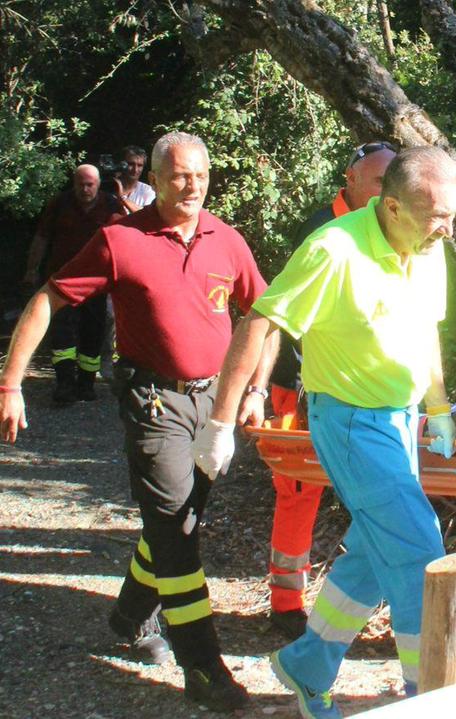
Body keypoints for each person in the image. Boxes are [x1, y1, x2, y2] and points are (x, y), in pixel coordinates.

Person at [193, 145, 456, 718]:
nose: (446, 228)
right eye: (434, 214)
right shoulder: (333, 249)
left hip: (400, 418)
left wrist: (436, 406)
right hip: (349, 422)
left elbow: (424, 333)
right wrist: (221, 420)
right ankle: (430, 698)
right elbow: (259, 320)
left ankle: (307, 664)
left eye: (453, 214)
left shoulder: (429, 246)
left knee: (372, 549)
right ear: (391, 207)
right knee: (419, 552)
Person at [1, 132, 265, 711]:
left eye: (199, 175)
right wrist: (11, 383)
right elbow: (48, 298)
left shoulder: (228, 240)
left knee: (178, 519)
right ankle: (203, 667)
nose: (191, 185)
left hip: (213, 407)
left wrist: (257, 388)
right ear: (157, 178)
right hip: (154, 404)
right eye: (178, 176)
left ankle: (129, 613)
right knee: (177, 529)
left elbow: (263, 314)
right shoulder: (121, 240)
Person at [249, 140, 398, 640]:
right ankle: (286, 603)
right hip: (301, 382)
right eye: (377, 181)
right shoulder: (321, 232)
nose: (384, 191)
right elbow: (277, 317)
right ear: (350, 179)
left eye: (391, 182)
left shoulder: (388, 228)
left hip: (361, 387)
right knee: (298, 489)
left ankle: (350, 603)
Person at [23, 164, 125, 404]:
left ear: (99, 185)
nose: (85, 189)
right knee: (62, 334)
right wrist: (31, 270)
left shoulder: (111, 207)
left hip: (96, 283)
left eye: (90, 184)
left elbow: (124, 241)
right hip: (62, 280)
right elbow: (42, 238)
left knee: (93, 332)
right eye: (81, 184)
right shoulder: (60, 204)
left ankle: (87, 384)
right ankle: (64, 384)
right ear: (74, 183)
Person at [115, 145, 156, 213]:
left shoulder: (147, 191)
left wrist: (122, 198)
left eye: (139, 165)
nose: (135, 169)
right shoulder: (109, 186)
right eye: (131, 164)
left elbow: (146, 216)